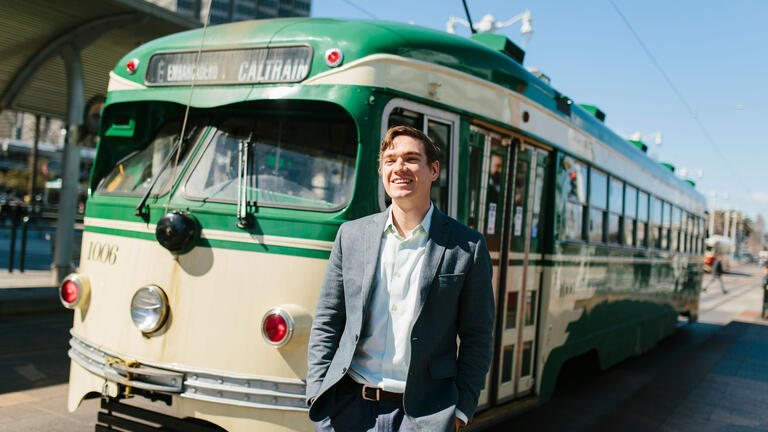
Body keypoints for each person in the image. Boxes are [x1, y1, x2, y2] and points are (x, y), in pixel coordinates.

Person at [306, 125, 495, 432]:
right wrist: (317, 393)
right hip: (349, 409)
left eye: (410, 159)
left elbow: (478, 335)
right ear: (382, 170)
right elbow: (328, 318)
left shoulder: (468, 246)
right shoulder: (351, 236)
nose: (399, 168)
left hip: (424, 416)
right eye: (391, 160)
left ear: (433, 170)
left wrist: (462, 409)